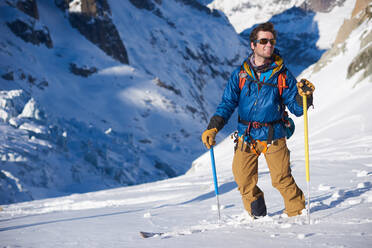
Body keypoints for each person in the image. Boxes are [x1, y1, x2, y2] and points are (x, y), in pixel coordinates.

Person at [201, 22, 314, 218]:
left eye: (271, 41)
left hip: (274, 136)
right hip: (246, 136)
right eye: (263, 41)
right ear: (253, 45)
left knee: (281, 179)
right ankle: (257, 215)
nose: (268, 45)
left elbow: (297, 109)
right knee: (243, 178)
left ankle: (298, 213)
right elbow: (227, 103)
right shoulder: (241, 74)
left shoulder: (283, 75)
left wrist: (304, 96)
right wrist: (213, 128)